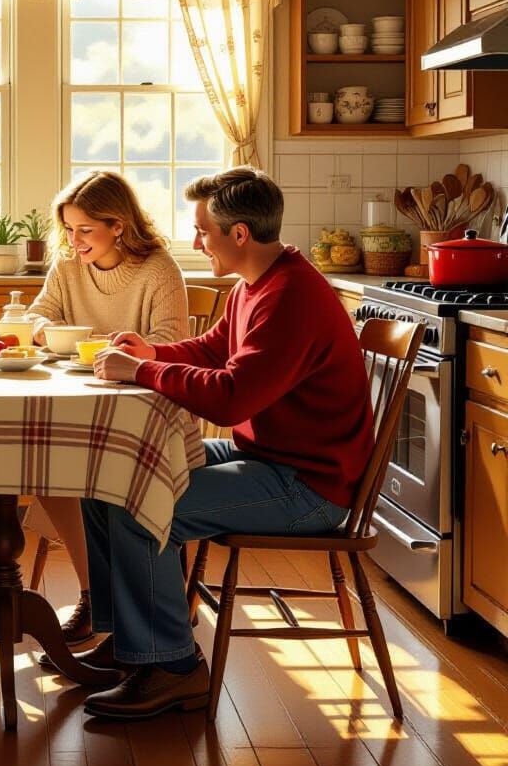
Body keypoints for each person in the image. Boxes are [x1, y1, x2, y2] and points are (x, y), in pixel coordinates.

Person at [73, 167, 372, 720]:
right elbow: (215, 350)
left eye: (202, 232)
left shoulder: (290, 297)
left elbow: (233, 398)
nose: (195, 243)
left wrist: (142, 371)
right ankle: (133, 643)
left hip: (309, 485)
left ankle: (174, 667)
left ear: (239, 234)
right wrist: (153, 353)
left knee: (141, 507)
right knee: (106, 478)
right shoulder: (258, 283)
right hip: (268, 457)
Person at [25, 171, 189, 644]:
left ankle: (142, 600)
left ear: (118, 225)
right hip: (80, 397)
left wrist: (109, 348)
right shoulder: (68, 266)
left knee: (91, 471)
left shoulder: (158, 269)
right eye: (68, 229)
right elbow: (37, 314)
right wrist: (44, 330)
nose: (73, 240)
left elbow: (170, 342)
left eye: (85, 230)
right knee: (47, 467)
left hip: (142, 409)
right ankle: (94, 592)